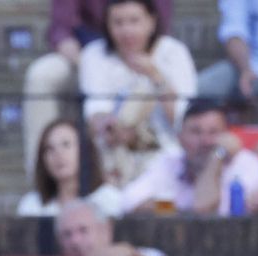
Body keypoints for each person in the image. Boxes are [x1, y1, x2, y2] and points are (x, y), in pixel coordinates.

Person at [22, 0, 175, 178]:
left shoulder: (169, 49)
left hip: (142, 52)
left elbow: (159, 22)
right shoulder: (93, 57)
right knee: (42, 75)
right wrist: (89, 63)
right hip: (85, 53)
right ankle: (41, 177)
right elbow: (60, 29)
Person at [79, 0, 196, 188]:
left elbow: (183, 120)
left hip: (165, 154)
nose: (127, 31)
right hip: (114, 155)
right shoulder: (94, 54)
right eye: (118, 23)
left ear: (152, 21)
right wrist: (108, 127)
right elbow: (94, 111)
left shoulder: (174, 52)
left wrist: (155, 76)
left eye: (134, 21)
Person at [120, 99, 258, 215]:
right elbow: (128, 201)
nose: (205, 141)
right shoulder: (168, 162)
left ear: (227, 136)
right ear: (180, 138)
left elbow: (204, 208)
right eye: (196, 132)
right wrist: (173, 208)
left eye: (214, 132)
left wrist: (217, 156)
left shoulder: (246, 164)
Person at [17, 118, 122, 217]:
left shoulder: (109, 201)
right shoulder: (31, 206)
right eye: (49, 148)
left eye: (66, 145)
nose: (58, 154)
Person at [55, 198, 166, 256]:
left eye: (83, 230)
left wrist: (131, 255)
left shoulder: (143, 254)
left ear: (105, 231)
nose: (75, 241)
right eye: (67, 234)